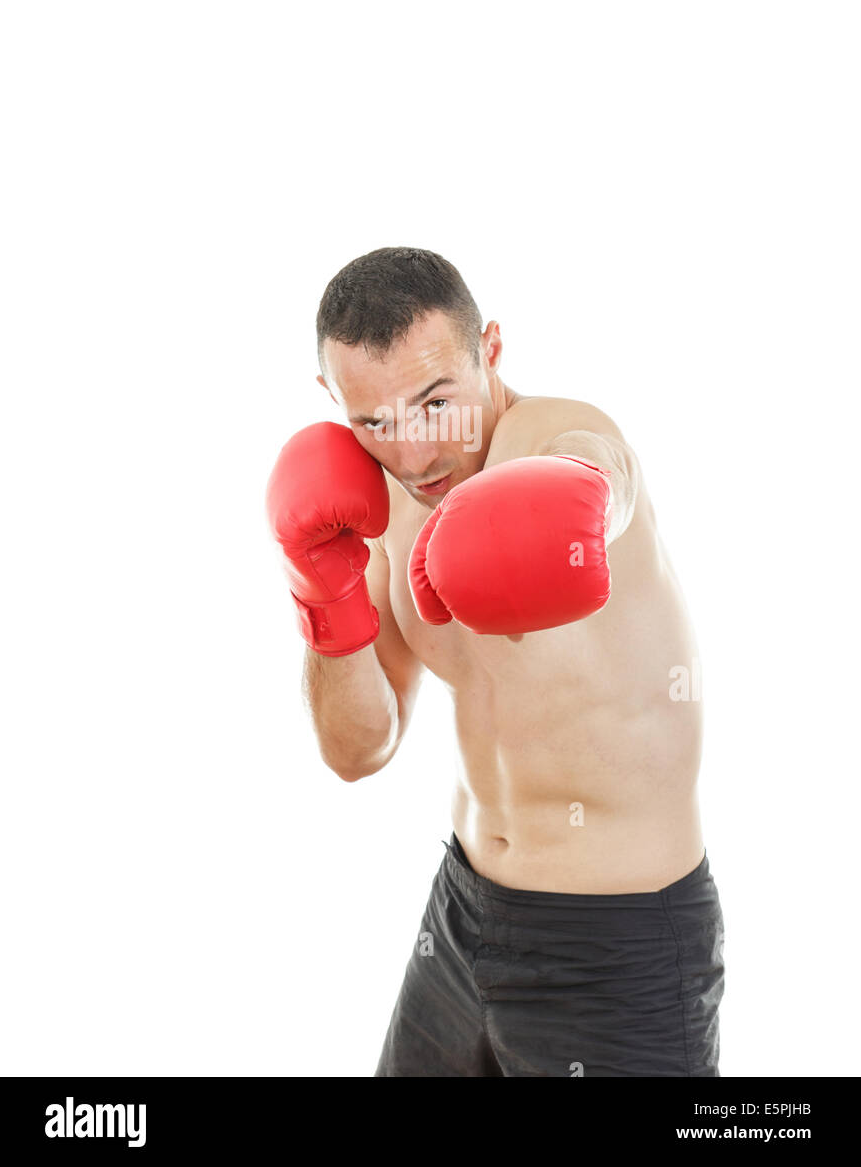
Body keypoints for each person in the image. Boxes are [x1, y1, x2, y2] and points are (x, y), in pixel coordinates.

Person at [265, 246, 725, 1077]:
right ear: (334, 403)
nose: (414, 456)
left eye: (436, 404)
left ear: (492, 350)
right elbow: (358, 749)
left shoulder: (551, 439)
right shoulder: (386, 499)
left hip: (616, 948)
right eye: (375, 423)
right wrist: (322, 597)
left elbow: (602, 466)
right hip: (462, 914)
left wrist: (576, 497)